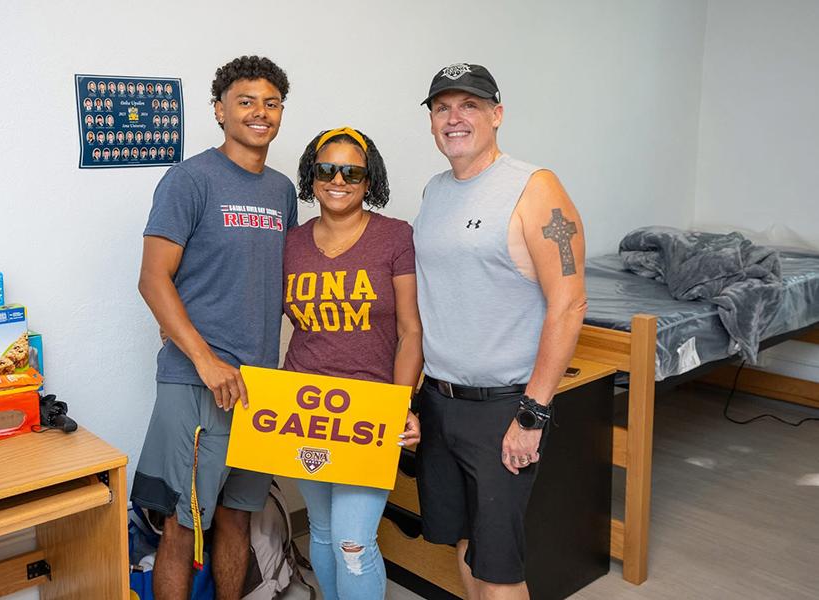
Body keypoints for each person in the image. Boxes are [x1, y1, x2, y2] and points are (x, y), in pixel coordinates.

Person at [412, 63, 587, 600]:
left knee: (500, 567)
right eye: (442, 107)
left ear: (497, 114)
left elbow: (570, 301)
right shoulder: (434, 191)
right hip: (440, 401)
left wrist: (532, 413)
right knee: (464, 543)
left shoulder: (535, 187)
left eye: (469, 105)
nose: (454, 118)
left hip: (504, 408)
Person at [130, 56, 296, 600]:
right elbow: (154, 280)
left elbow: (281, 280)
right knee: (183, 525)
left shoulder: (281, 190)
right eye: (246, 101)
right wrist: (204, 359)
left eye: (271, 103)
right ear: (220, 110)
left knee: (237, 517)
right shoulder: (190, 178)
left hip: (259, 387)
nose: (259, 113)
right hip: (197, 383)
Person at [283, 127, 422, 600]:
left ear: (369, 180)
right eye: (326, 169)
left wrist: (401, 405)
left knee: (353, 541)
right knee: (321, 531)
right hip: (303, 409)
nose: (338, 179)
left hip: (368, 412)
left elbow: (411, 332)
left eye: (352, 171)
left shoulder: (395, 237)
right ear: (312, 176)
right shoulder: (290, 244)